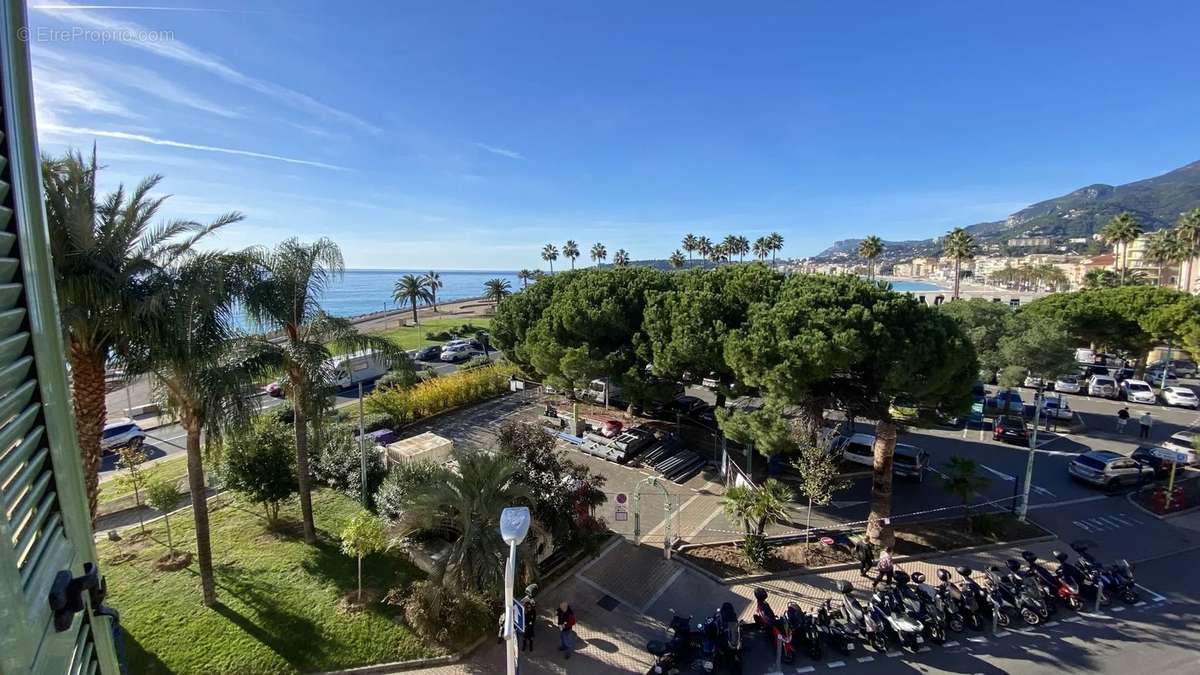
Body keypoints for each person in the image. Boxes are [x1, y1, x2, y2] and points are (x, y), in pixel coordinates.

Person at [521, 585, 538, 653]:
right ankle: (524, 645)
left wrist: (530, 624)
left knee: (531, 636)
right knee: (524, 637)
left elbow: (533, 618)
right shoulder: (525, 612)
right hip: (525, 625)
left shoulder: (532, 611)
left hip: (530, 625)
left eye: (529, 608)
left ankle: (530, 645)